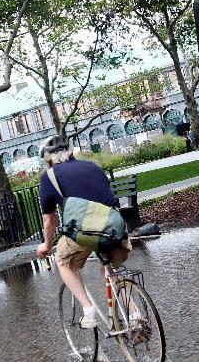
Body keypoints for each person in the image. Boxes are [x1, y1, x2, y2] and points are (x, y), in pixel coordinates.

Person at [35, 135, 131, 328]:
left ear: (47, 159)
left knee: (62, 261)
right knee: (110, 268)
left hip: (85, 230)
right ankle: (135, 316)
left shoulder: (50, 177)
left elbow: (49, 219)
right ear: (70, 151)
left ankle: (88, 311)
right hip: (114, 227)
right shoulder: (92, 166)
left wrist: (46, 244)